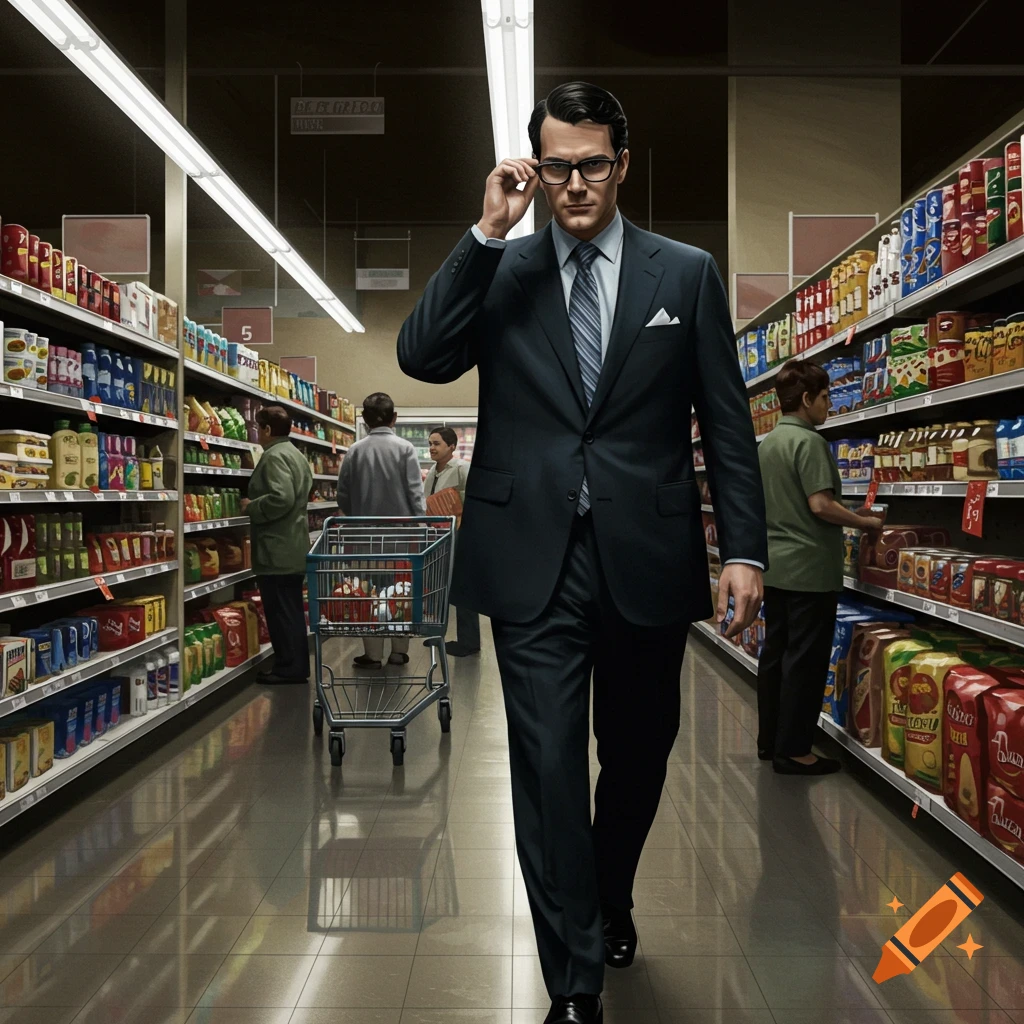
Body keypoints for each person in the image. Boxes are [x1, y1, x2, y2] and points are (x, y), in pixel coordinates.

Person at [398, 81, 767, 1024]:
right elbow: (422, 356)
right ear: (535, 167)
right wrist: (486, 234)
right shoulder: (505, 272)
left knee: (640, 751)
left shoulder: (682, 273)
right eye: (555, 165)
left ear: (623, 164)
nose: (572, 183)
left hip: (646, 551)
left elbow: (725, 424)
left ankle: (610, 891)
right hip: (531, 557)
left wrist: (746, 551)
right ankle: (574, 981)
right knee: (548, 762)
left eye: (591, 164)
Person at [756, 361, 884, 776]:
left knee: (775, 655)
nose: (829, 405)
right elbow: (819, 505)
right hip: (809, 569)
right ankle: (795, 750)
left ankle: (770, 740)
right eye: (826, 397)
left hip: (775, 567)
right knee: (805, 663)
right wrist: (865, 521)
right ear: (807, 399)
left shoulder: (769, 442)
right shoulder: (809, 442)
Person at [338, 392, 427, 669]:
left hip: (363, 540)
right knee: (400, 592)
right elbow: (415, 494)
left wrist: (358, 517)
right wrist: (421, 524)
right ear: (395, 418)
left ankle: (373, 654)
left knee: (369, 592)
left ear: (364, 421)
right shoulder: (405, 449)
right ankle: (399, 651)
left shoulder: (354, 451)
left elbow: (343, 496)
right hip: (402, 539)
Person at [241, 405, 314, 685]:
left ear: (268, 430)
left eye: (260, 428)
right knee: (291, 610)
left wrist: (253, 506)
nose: (259, 433)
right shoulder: (296, 454)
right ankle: (294, 665)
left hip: (277, 547)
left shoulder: (274, 457)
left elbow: (281, 498)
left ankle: (288, 668)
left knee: (281, 611)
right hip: (293, 543)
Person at [424, 426, 480, 657]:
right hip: (439, 537)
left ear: (451, 447)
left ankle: (469, 641)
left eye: (437, 443)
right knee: (441, 586)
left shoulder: (461, 468)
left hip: (461, 535)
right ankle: (439, 635)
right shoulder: (432, 472)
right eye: (430, 443)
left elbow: (474, 500)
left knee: (463, 586)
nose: (432, 448)